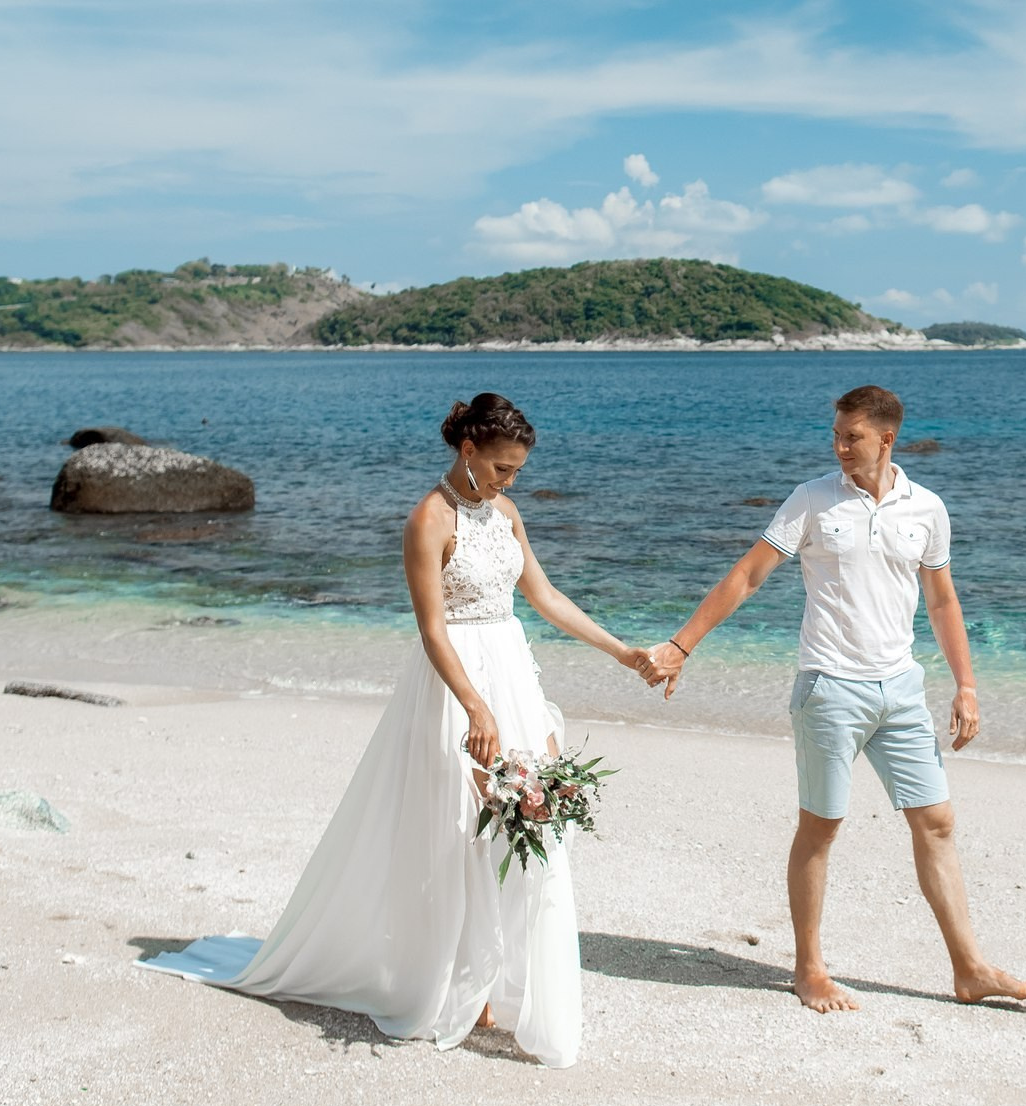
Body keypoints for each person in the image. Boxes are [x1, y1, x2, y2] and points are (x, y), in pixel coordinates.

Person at [140, 393, 651, 1067]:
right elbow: (433, 630)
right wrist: (475, 707)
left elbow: (544, 597)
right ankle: (460, 985)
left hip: (513, 674)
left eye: (517, 471)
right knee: (459, 832)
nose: (508, 482)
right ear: (467, 449)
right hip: (457, 685)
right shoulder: (428, 520)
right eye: (501, 468)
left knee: (531, 822)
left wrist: (623, 652)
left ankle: (504, 980)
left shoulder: (505, 513)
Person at [644, 384, 1026, 1013]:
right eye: (835, 434)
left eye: (851, 437)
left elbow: (942, 601)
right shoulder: (812, 499)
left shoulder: (927, 508)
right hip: (829, 688)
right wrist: (681, 645)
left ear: (887, 439)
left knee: (937, 822)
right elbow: (748, 575)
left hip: (902, 690)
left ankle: (969, 969)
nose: (839, 447)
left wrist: (966, 685)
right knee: (822, 826)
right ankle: (809, 970)